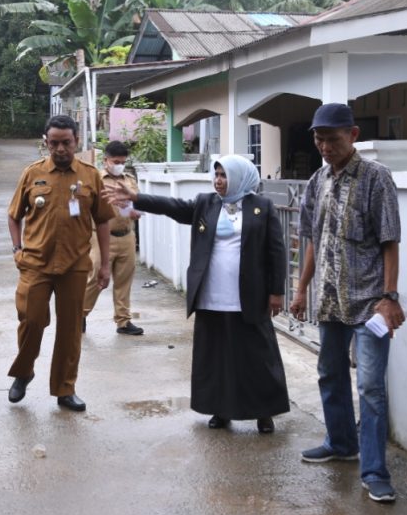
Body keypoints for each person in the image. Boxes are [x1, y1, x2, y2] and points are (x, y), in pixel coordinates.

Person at [107, 155, 289, 433]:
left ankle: (264, 413)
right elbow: (173, 206)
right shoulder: (206, 203)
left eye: (224, 175)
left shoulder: (261, 207)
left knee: (256, 355)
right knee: (215, 356)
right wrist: (136, 197)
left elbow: (276, 251)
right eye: (216, 175)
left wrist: (277, 291)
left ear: (240, 177)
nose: (218, 181)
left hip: (249, 296)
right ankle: (220, 410)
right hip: (212, 294)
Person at [290, 102, 405, 504]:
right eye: (319, 139)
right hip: (328, 301)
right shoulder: (316, 181)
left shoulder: (377, 178)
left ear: (353, 135)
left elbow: (390, 241)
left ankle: (374, 472)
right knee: (329, 375)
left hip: (370, 303)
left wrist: (389, 297)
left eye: (332, 139)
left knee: (371, 387)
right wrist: (302, 289)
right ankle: (340, 443)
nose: (324, 146)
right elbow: (311, 240)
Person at [6, 115, 116, 412]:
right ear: (46, 142)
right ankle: (24, 371)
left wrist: (104, 264)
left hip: (75, 265)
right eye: (53, 142)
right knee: (31, 320)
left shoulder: (91, 176)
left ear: (76, 141)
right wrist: (17, 249)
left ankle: (65, 388)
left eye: (66, 142)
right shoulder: (32, 174)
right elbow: (13, 215)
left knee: (70, 330)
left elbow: (103, 221)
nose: (60, 149)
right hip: (36, 263)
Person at [82, 140, 144, 336]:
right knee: (96, 279)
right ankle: (79, 315)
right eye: (116, 161)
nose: (119, 165)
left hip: (126, 235)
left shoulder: (129, 179)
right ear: (106, 160)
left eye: (123, 161)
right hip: (101, 237)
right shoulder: (95, 179)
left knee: (124, 280)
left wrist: (136, 211)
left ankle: (123, 321)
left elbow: (137, 201)